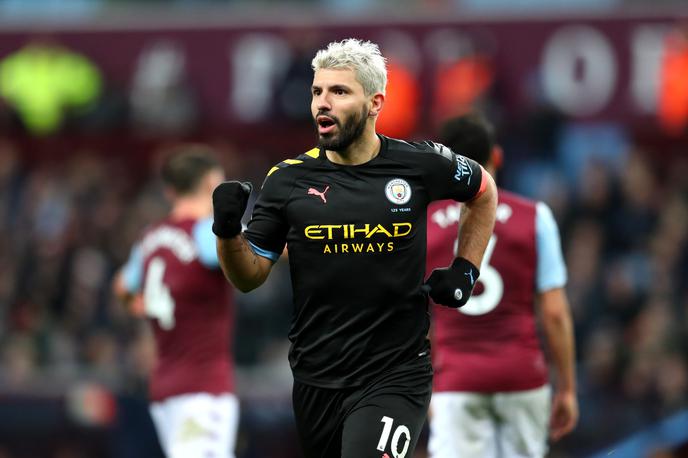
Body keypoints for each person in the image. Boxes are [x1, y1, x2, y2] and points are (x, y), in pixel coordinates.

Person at [211, 38, 497, 458]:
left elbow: (483, 190)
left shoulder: (418, 165)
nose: (322, 104)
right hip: (316, 379)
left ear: (374, 102)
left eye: (339, 92)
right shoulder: (287, 180)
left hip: (396, 374)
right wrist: (226, 231)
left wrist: (466, 269)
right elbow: (248, 277)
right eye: (317, 92)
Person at [426, 113, 578, 458]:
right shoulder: (535, 218)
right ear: (497, 156)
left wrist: (422, 387)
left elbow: (412, 316)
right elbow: (554, 313)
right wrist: (566, 388)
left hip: (456, 380)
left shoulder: (426, 224)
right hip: (522, 376)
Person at [113, 145, 239, 458]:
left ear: (170, 191)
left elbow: (121, 285)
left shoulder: (149, 239)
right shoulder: (207, 234)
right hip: (202, 388)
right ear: (213, 182)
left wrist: (142, 306)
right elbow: (259, 250)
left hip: (164, 388)